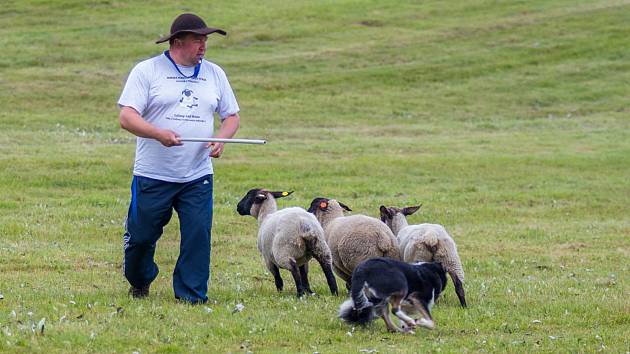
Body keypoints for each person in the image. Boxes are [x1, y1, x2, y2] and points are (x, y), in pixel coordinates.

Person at [117, 13, 240, 304]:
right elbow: (126, 117)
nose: (204, 45)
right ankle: (139, 279)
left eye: (205, 39)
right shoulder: (147, 71)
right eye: (198, 39)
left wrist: (222, 137)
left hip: (197, 175)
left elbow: (231, 116)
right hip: (153, 174)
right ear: (177, 41)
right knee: (142, 238)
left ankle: (191, 295)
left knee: (198, 235)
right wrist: (157, 133)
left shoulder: (214, 74)